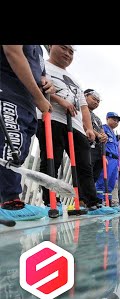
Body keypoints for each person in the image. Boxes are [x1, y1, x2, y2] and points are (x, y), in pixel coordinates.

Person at [35, 45, 113, 215]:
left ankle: (91, 202)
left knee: (84, 165)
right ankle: (51, 202)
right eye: (64, 48)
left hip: (76, 126)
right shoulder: (41, 65)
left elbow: (84, 107)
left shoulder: (75, 79)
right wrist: (59, 100)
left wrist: (89, 128)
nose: (68, 54)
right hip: (51, 118)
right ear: (50, 47)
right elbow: (36, 87)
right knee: (51, 161)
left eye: (71, 52)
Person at [0, 45, 53, 221]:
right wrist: (39, 98)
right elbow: (12, 52)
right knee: (10, 147)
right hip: (8, 92)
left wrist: (46, 83)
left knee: (19, 150)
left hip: (27, 104)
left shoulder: (39, 50)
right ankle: (9, 201)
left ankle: (11, 200)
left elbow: (40, 74)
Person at [95, 112, 120, 206]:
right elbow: (100, 143)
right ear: (107, 119)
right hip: (107, 157)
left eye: (117, 121)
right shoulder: (103, 128)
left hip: (115, 160)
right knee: (102, 180)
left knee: (111, 182)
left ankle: (108, 203)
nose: (116, 122)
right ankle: (98, 202)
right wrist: (102, 156)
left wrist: (118, 164)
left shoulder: (114, 134)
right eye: (114, 119)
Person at [84, 89, 107, 182]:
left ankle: (90, 196)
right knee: (86, 174)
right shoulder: (81, 111)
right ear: (85, 96)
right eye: (94, 99)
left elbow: (102, 132)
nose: (96, 102)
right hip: (87, 147)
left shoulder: (97, 118)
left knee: (95, 177)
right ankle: (80, 196)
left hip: (99, 150)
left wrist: (104, 136)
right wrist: (98, 135)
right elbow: (82, 125)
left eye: (98, 101)